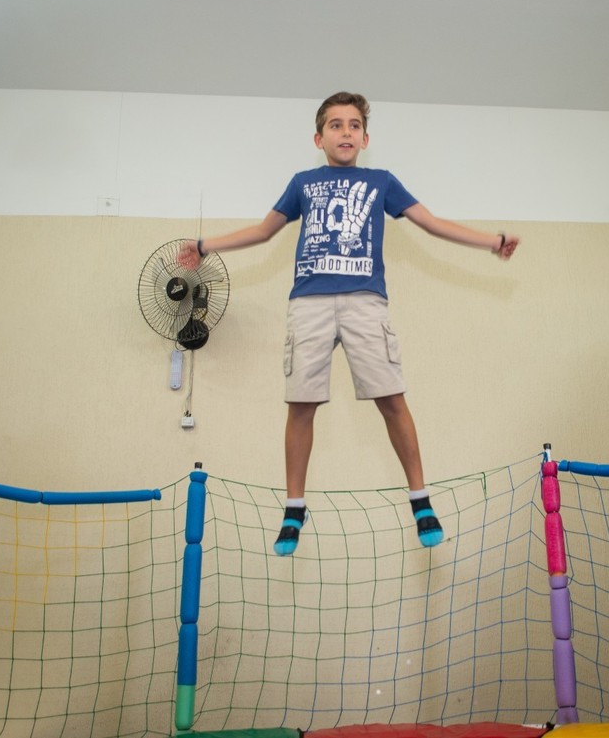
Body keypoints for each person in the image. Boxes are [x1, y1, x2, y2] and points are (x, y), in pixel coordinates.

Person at [178, 91, 519, 557]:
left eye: (354, 124)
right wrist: (204, 244)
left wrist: (491, 241)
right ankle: (294, 506)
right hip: (310, 303)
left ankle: (420, 499)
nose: (345, 132)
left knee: (391, 399)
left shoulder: (381, 181)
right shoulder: (303, 182)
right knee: (301, 404)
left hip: (364, 301)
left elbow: (431, 222)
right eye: (335, 125)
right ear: (319, 138)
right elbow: (263, 231)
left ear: (365, 137)